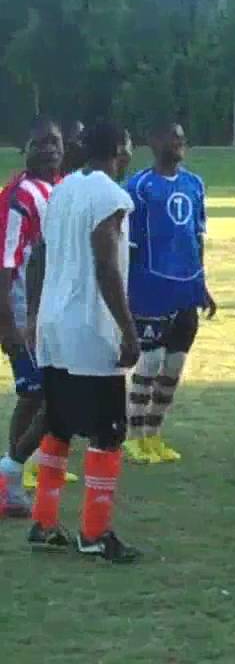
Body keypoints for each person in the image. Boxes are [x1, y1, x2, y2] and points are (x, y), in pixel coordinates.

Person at [24, 121, 141, 563]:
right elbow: (106, 265)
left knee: (58, 425)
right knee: (107, 431)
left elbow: (40, 256)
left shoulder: (61, 191)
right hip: (90, 328)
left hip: (55, 324)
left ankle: (44, 521)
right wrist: (127, 330)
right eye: (128, 143)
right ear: (118, 149)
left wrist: (35, 313)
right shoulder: (110, 196)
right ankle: (94, 533)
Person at [122, 121, 215, 465]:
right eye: (171, 136)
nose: (179, 142)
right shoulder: (139, 187)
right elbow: (129, 247)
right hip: (150, 287)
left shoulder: (194, 185)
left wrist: (201, 284)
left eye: (181, 137)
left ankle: (154, 434)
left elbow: (197, 236)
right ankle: (133, 437)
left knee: (174, 365)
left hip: (186, 287)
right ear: (153, 140)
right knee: (149, 361)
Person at [0, 118, 75, 514]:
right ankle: (10, 476)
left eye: (55, 142)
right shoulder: (19, 197)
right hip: (23, 315)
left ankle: (16, 473)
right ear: (24, 149)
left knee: (41, 396)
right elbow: (6, 262)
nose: (49, 150)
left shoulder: (60, 189)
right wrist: (8, 323)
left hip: (52, 313)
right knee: (37, 394)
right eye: (39, 143)